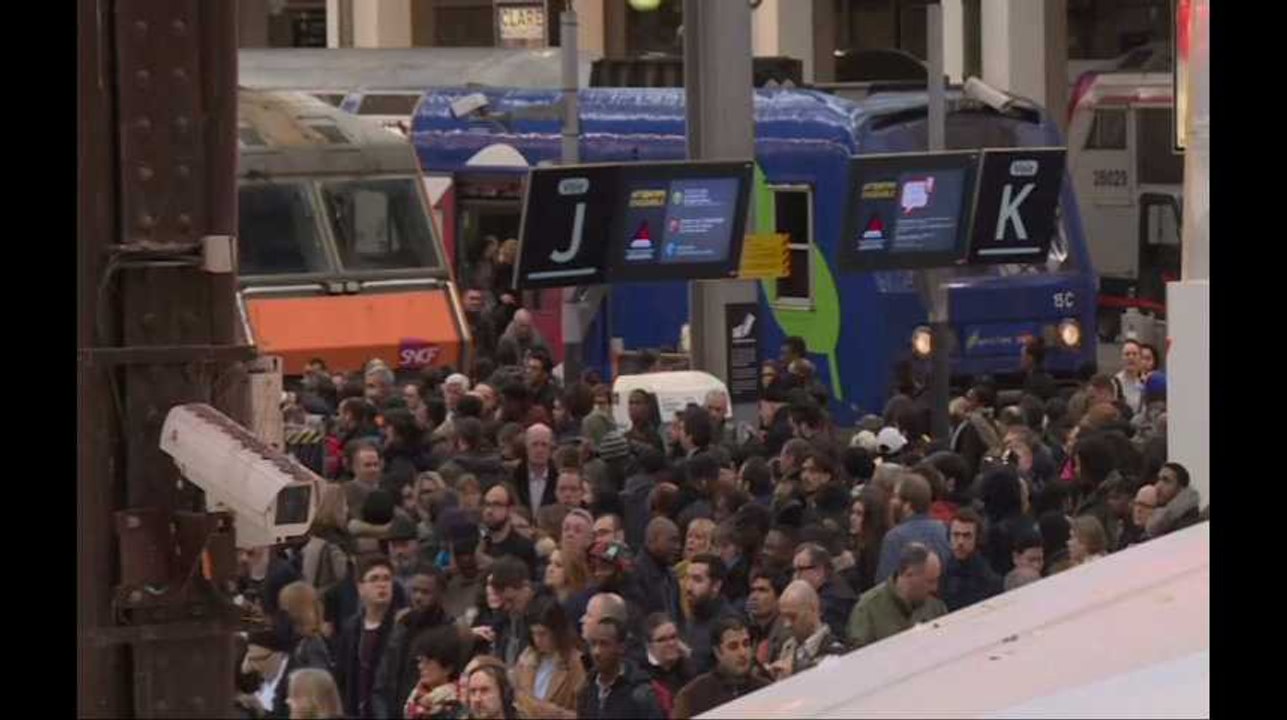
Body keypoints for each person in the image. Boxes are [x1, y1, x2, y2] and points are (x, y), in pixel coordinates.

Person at [847, 543, 947, 650]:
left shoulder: (936, 607)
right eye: (930, 581)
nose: (935, 588)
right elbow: (859, 659)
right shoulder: (867, 609)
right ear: (909, 574)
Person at [335, 555, 398, 718]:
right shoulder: (351, 629)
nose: (382, 584)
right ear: (360, 588)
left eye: (387, 579)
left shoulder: (401, 627)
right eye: (374, 579)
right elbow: (342, 676)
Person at [671, 617, 770, 719]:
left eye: (746, 644)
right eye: (733, 646)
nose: (742, 653)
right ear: (717, 652)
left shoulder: (766, 689)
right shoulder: (692, 696)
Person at [512, 596, 586, 718]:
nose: (537, 640)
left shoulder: (577, 663)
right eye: (534, 633)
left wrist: (554, 713)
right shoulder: (526, 657)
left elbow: (584, 714)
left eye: (542, 634)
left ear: (557, 631)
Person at [576, 617, 665, 719]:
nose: (596, 652)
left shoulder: (640, 694)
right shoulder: (586, 690)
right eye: (593, 644)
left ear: (621, 647)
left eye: (604, 644)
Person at [875, 473, 951, 583]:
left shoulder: (895, 538)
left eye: (895, 497)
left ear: (907, 506)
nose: (891, 502)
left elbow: (885, 585)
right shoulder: (945, 530)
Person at [769, 580, 847, 680]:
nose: (786, 625)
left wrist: (794, 672)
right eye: (783, 617)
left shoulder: (836, 650)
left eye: (792, 617)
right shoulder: (787, 645)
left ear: (813, 610)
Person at [680, 554, 736, 675]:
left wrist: (688, 656)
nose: (688, 587)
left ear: (716, 586)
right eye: (687, 578)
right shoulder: (694, 613)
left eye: (697, 580)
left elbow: (729, 673)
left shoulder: (730, 624)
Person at [941, 508, 1003, 612]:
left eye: (967, 536)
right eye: (956, 535)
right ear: (949, 537)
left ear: (977, 539)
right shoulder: (941, 573)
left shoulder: (989, 579)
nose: (960, 542)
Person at [791, 543, 857, 640]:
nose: (795, 577)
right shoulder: (821, 592)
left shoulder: (833, 601)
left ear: (818, 571)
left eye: (800, 570)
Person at [400, 626, 466, 719]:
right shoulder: (415, 698)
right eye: (420, 661)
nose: (420, 666)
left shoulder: (456, 704)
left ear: (448, 668)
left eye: (427, 662)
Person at [642, 613, 695, 718]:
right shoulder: (643, 677)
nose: (671, 643)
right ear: (649, 646)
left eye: (673, 637)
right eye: (662, 640)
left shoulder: (689, 666)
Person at [838, 487, 890, 596]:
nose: (853, 518)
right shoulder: (854, 543)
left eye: (859, 514)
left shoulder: (874, 550)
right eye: (852, 512)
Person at [485, 557, 536, 666]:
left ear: (526, 586)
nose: (507, 607)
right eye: (503, 601)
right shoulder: (503, 620)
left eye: (510, 600)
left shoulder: (542, 618)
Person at [632, 517, 682, 620]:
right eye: (673, 540)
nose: (678, 547)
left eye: (678, 542)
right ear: (652, 540)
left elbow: (680, 618)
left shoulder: (671, 576)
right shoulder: (634, 575)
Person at [480, 484, 538, 571]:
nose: (489, 510)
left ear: (509, 510)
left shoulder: (523, 547)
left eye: (496, 505)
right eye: (487, 504)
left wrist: (494, 565)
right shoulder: (481, 538)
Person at [1147, 462, 1203, 539]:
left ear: (1181, 488)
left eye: (1166, 481)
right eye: (1158, 480)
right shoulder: (1159, 520)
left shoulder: (1187, 526)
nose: (1157, 486)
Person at [513, 424, 558, 516]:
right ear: (526, 447)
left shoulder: (558, 478)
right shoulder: (514, 477)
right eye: (534, 444)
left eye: (544, 444)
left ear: (551, 448)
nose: (539, 450)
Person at [1113, 340, 1146, 416]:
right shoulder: (1114, 382)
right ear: (1121, 358)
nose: (1131, 357)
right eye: (1127, 354)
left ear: (1140, 358)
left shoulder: (1147, 381)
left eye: (1134, 354)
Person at [1122, 483, 1159, 548]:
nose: (1138, 510)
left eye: (1145, 506)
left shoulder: (1158, 539)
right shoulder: (1126, 533)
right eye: (1137, 504)